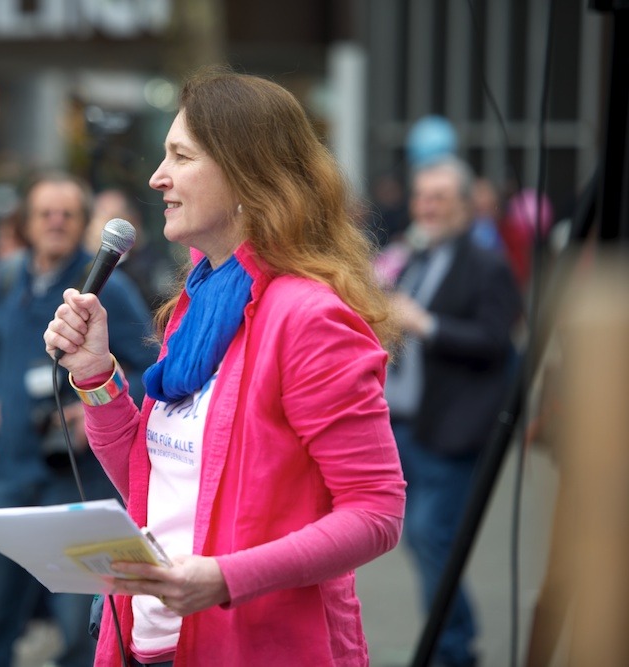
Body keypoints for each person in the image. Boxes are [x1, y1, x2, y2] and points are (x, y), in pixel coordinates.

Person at [44, 68, 407, 666]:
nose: (157, 177)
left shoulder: (309, 317)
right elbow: (152, 476)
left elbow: (376, 512)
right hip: (153, 642)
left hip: (257, 647)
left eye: (180, 156)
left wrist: (224, 577)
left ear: (247, 175)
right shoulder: (201, 303)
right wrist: (95, 374)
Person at [0, 172, 156, 667]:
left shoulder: (103, 287)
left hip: (77, 479)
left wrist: (95, 397)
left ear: (82, 223)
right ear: (26, 223)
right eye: (45, 214)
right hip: (10, 472)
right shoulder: (7, 276)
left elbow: (149, 368)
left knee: (80, 629)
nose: (55, 222)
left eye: (67, 214)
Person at [384, 156, 522, 667]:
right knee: (422, 541)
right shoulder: (417, 258)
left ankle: (454, 647)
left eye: (440, 197)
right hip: (405, 427)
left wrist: (427, 325)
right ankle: (451, 640)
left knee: (431, 536)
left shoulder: (487, 264)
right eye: (423, 196)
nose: (428, 207)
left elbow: (495, 341)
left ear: (466, 205)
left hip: (451, 433)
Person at [84, 188, 176, 315]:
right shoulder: (82, 264)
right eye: (98, 218)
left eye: (112, 218)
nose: (104, 227)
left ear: (133, 220)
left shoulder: (152, 266)